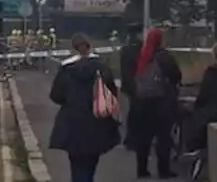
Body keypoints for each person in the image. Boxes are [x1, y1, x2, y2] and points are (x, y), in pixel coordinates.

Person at [48, 33, 121, 182]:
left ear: (74, 49)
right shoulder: (102, 67)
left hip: (71, 121)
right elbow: (112, 93)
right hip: (96, 120)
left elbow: (56, 95)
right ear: (89, 46)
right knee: (91, 160)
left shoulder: (66, 69)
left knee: (76, 161)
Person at [130, 27, 183, 179]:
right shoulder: (164, 57)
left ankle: (142, 169)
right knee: (163, 137)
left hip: (142, 102)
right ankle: (163, 169)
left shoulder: (141, 56)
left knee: (144, 137)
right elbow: (176, 75)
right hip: (161, 102)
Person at [120, 23, 145, 148]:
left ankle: (131, 138)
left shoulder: (126, 48)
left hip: (129, 84)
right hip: (138, 84)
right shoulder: (140, 48)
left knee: (134, 111)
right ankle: (134, 139)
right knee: (138, 112)